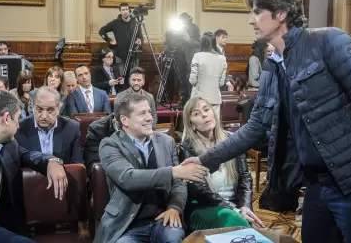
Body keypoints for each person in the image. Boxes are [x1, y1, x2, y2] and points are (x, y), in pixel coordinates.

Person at [181, 0, 351, 243]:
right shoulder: (272, 68)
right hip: (316, 184)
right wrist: (204, 160)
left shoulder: (328, 41)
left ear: (280, 13)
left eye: (257, 12)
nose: (251, 20)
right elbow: (254, 127)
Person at [95, 93, 209, 243]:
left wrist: (175, 207)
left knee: (173, 237)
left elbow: (179, 183)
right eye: (142, 113)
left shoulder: (167, 142)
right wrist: (174, 172)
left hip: (163, 219)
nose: (150, 118)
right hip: (127, 224)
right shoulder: (110, 145)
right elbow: (128, 178)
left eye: (149, 112)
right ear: (124, 120)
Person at [0, 90, 67, 242]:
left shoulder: (9, 143)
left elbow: (26, 155)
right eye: (17, 118)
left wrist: (52, 161)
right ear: (6, 118)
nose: (18, 125)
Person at [179, 97, 264, 231]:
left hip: (236, 208)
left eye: (206, 110)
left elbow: (245, 178)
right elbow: (199, 191)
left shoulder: (232, 141)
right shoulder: (187, 147)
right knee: (234, 220)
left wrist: (245, 207)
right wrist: (234, 209)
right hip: (204, 208)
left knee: (239, 222)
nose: (204, 115)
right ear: (192, 124)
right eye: (196, 113)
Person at [16, 86, 83, 164]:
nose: (44, 116)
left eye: (50, 110)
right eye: (39, 109)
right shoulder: (18, 128)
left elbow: (77, 167)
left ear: (58, 109)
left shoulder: (72, 128)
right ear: (33, 107)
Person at [189, 33, 227, 119]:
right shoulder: (222, 59)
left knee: (198, 127)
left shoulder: (198, 56)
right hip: (215, 98)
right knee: (214, 127)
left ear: (202, 43)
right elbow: (221, 83)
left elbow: (193, 80)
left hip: (199, 98)